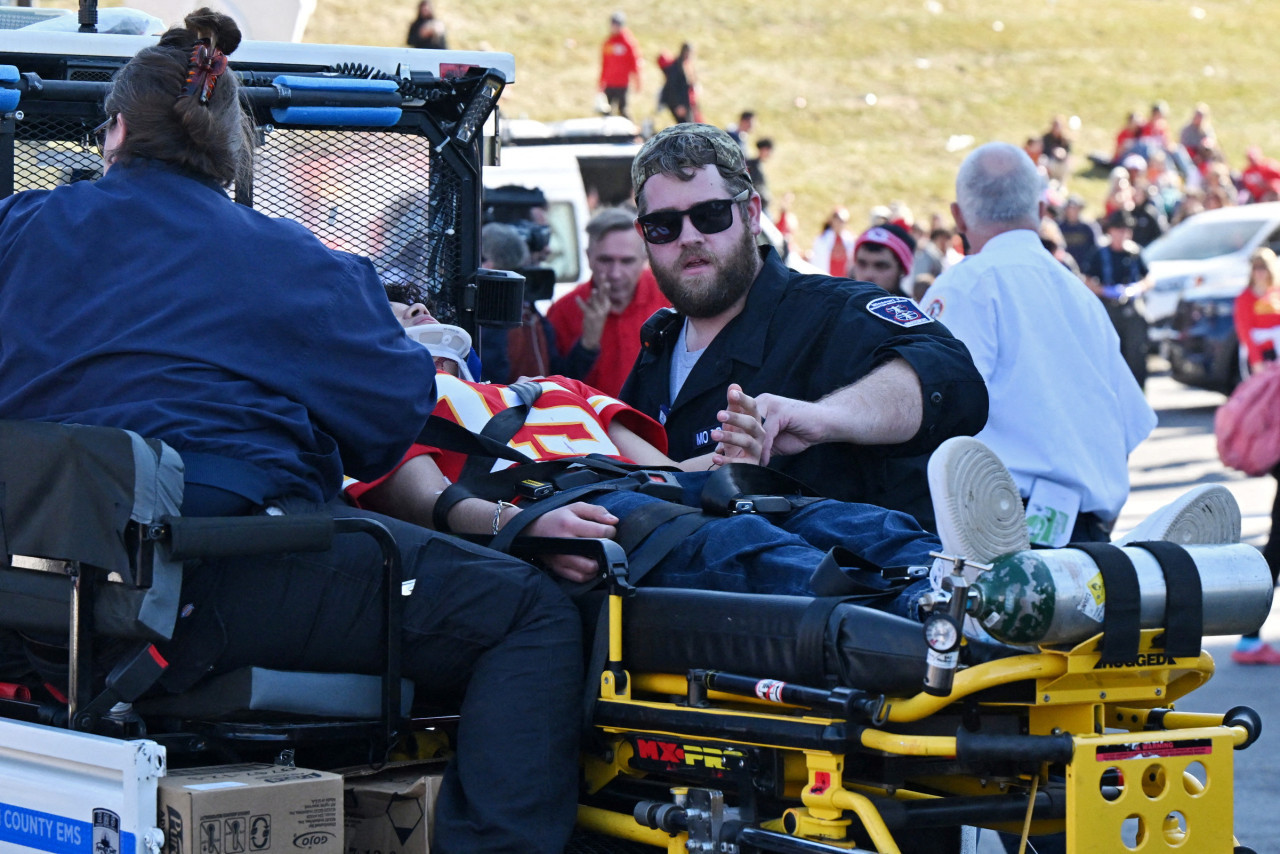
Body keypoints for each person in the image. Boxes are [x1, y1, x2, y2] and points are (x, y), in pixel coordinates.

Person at [0, 11, 581, 853]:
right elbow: (386, 429)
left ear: (116, 130)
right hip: (210, 588)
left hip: (37, 609)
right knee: (526, 614)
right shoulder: (295, 260)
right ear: (235, 150)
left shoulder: (15, 231)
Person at [350, 299, 944, 611]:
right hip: (580, 513)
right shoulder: (391, 405)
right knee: (745, 552)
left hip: (650, 497)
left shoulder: (556, 388)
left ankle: (976, 584)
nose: (419, 311)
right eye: (398, 311)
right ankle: (927, 613)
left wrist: (730, 453)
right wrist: (522, 525)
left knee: (848, 519)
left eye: (422, 307)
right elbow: (429, 501)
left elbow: (664, 475)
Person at [620, 123, 988, 530]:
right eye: (664, 225)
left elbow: (953, 379)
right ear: (644, 235)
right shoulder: (658, 348)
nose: (689, 237)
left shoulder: (831, 313)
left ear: (752, 213)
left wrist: (821, 418)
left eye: (710, 215)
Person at [920, 142, 1156, 546]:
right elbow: (1129, 427)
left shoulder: (965, 286)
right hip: (1084, 536)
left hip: (998, 531)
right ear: (1043, 212)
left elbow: (931, 413)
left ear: (958, 216)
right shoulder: (1082, 297)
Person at [546, 206, 670, 397]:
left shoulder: (669, 299)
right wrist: (587, 344)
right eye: (605, 260)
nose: (615, 274)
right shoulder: (563, 312)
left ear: (645, 258)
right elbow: (552, 390)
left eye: (627, 261)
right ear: (589, 258)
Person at [1231, 247, 1280, 665]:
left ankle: (1250, 635)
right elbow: (1253, 350)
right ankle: (1249, 637)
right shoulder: (1247, 302)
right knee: (1277, 543)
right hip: (1274, 415)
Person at [1081, 209, 1154, 389]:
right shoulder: (1100, 254)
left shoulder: (1135, 253)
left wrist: (1136, 288)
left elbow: (1149, 278)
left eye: (1126, 230)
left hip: (1132, 310)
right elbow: (1085, 279)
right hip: (1109, 310)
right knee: (1111, 355)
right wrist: (1105, 291)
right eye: (1119, 229)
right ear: (1110, 231)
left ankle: (1139, 392)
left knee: (1136, 355)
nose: (1122, 234)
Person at [851, 223, 916, 296]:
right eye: (862, 264)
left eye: (881, 266)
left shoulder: (911, 307)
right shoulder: (838, 304)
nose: (868, 275)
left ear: (902, 270)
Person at [598, 11, 641, 119]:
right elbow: (604, 63)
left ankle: (631, 133)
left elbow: (634, 62)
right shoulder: (608, 43)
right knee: (607, 110)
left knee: (623, 110)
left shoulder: (627, 42)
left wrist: (637, 80)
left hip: (622, 83)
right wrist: (601, 81)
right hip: (609, 83)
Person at [1056, 195, 1101, 272]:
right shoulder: (1059, 227)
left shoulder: (1088, 227)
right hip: (1064, 267)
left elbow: (1096, 247)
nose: (1071, 211)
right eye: (1069, 208)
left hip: (1085, 268)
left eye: (1074, 208)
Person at [808, 206, 855, 277]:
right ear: (833, 220)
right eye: (839, 220)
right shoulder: (822, 238)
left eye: (844, 221)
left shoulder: (849, 239)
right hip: (826, 277)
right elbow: (818, 260)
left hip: (844, 278)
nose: (841, 224)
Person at [657, 43, 694, 124]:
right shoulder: (677, 67)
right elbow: (672, 87)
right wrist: (678, 105)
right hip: (678, 104)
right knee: (686, 128)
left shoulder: (685, 65)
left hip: (685, 103)